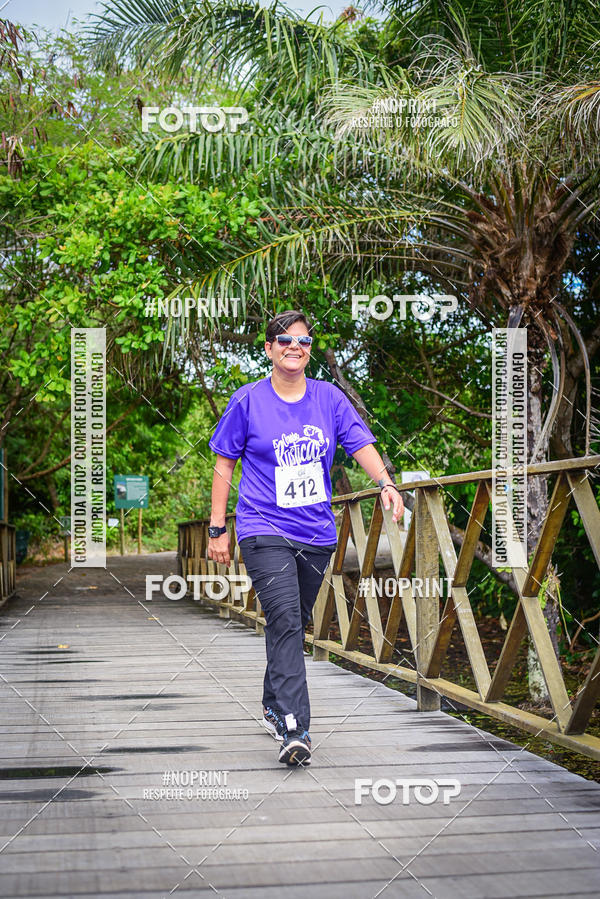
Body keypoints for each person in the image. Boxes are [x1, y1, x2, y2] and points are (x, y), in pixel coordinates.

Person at [207, 310, 404, 766]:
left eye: (304, 341)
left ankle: (273, 701)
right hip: (261, 528)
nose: (295, 347)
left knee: (290, 620)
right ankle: (296, 728)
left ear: (309, 350)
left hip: (315, 533)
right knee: (287, 621)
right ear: (269, 348)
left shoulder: (329, 398)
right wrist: (218, 527)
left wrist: (386, 483)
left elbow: (359, 444)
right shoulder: (248, 400)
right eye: (285, 340)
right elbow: (223, 463)